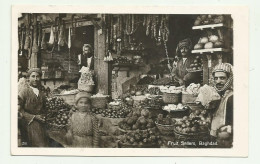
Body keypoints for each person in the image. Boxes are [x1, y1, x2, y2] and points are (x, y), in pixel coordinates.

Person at [18, 68, 48, 147]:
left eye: (37, 76)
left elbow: (44, 108)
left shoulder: (42, 93)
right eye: (33, 76)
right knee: (40, 145)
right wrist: (34, 117)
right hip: (28, 122)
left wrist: (43, 116)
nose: (35, 79)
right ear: (28, 78)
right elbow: (19, 110)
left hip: (41, 122)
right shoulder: (24, 91)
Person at [210, 63, 233, 147]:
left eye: (222, 78)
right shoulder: (217, 95)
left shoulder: (232, 97)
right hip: (214, 134)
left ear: (229, 79)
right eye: (216, 78)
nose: (218, 81)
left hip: (224, 138)